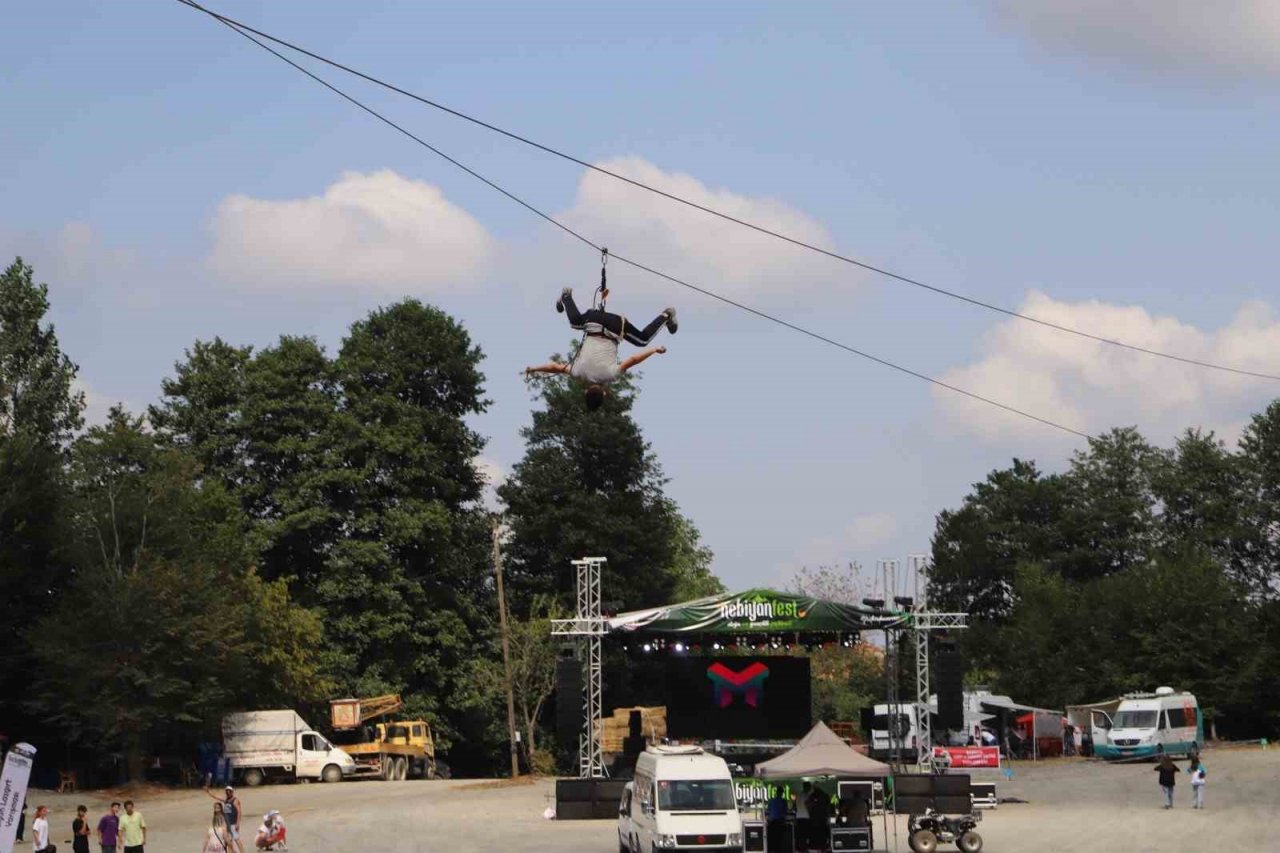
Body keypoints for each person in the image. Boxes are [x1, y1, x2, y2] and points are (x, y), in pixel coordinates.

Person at [524, 287, 677, 410]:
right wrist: (533, 369)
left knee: (643, 340)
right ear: (585, 391)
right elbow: (554, 367)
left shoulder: (611, 375)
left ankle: (666, 315)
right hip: (593, 320)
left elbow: (633, 359)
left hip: (616, 325)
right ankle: (566, 297)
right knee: (575, 323)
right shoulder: (577, 373)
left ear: (604, 394)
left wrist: (655, 350)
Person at [203, 786, 243, 853]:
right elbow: (216, 797)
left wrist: (238, 823)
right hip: (227, 823)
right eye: (227, 791)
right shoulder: (226, 800)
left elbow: (239, 812)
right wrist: (208, 792)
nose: (228, 792)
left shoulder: (235, 800)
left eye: (229, 791)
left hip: (233, 823)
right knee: (229, 840)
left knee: (236, 838)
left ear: (232, 792)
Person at [805, 785, 830, 853]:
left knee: (815, 835)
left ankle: (816, 847)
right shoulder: (825, 796)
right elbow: (828, 806)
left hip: (814, 819)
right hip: (822, 819)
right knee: (821, 835)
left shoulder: (812, 796)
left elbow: (807, 805)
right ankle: (821, 847)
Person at [793, 782, 811, 853]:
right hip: (805, 816)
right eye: (809, 787)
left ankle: (799, 849)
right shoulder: (806, 796)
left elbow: (794, 807)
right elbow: (808, 805)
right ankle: (804, 849)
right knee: (805, 834)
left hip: (798, 816)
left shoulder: (798, 795)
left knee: (800, 834)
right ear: (807, 787)